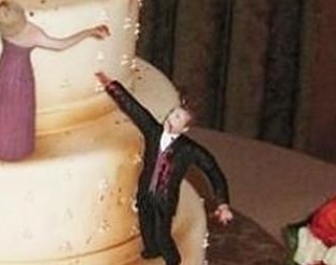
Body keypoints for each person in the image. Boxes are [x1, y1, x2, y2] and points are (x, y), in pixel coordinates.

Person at [0, 0, 110, 161]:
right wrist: (89, 32)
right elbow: (62, 44)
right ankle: (14, 150)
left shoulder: (3, 26)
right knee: (16, 112)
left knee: (1, 110)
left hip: (3, 74)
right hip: (21, 78)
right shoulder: (33, 33)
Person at [95, 71, 233, 265]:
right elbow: (134, 109)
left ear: (185, 128)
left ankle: (173, 260)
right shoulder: (153, 131)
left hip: (164, 200)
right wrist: (112, 86)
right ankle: (151, 251)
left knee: (162, 236)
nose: (171, 118)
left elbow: (213, 171)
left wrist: (223, 203)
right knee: (146, 227)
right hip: (146, 192)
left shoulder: (189, 150)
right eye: (172, 114)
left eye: (178, 118)